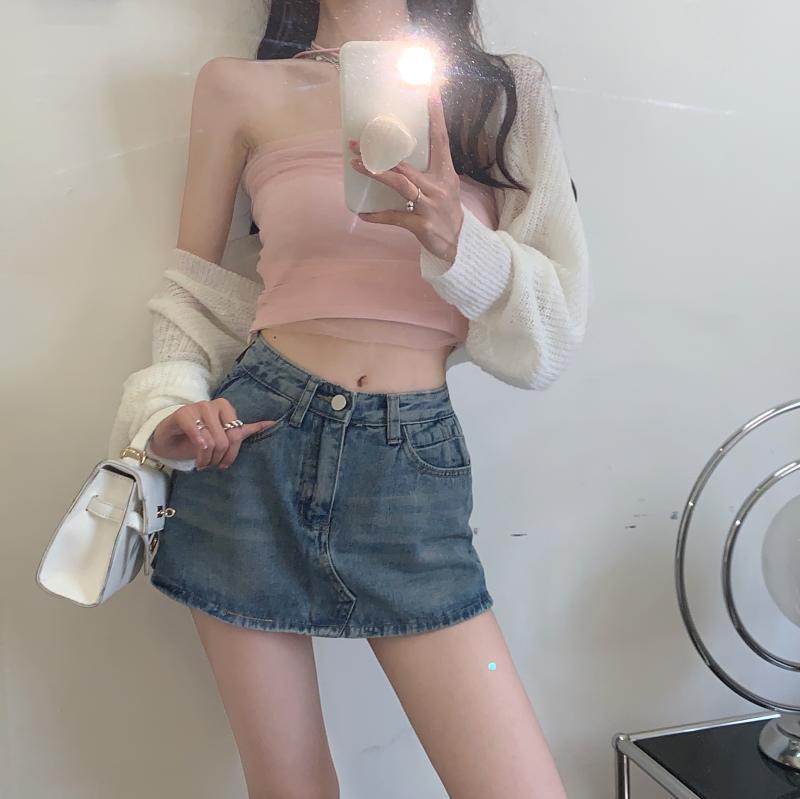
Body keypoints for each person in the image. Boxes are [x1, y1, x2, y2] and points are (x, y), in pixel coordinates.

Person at [109, 1, 590, 796]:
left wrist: (457, 241)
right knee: (290, 785)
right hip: (253, 452)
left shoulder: (502, 91)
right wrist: (168, 408)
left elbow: (554, 337)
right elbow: (195, 292)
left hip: (409, 465)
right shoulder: (236, 88)